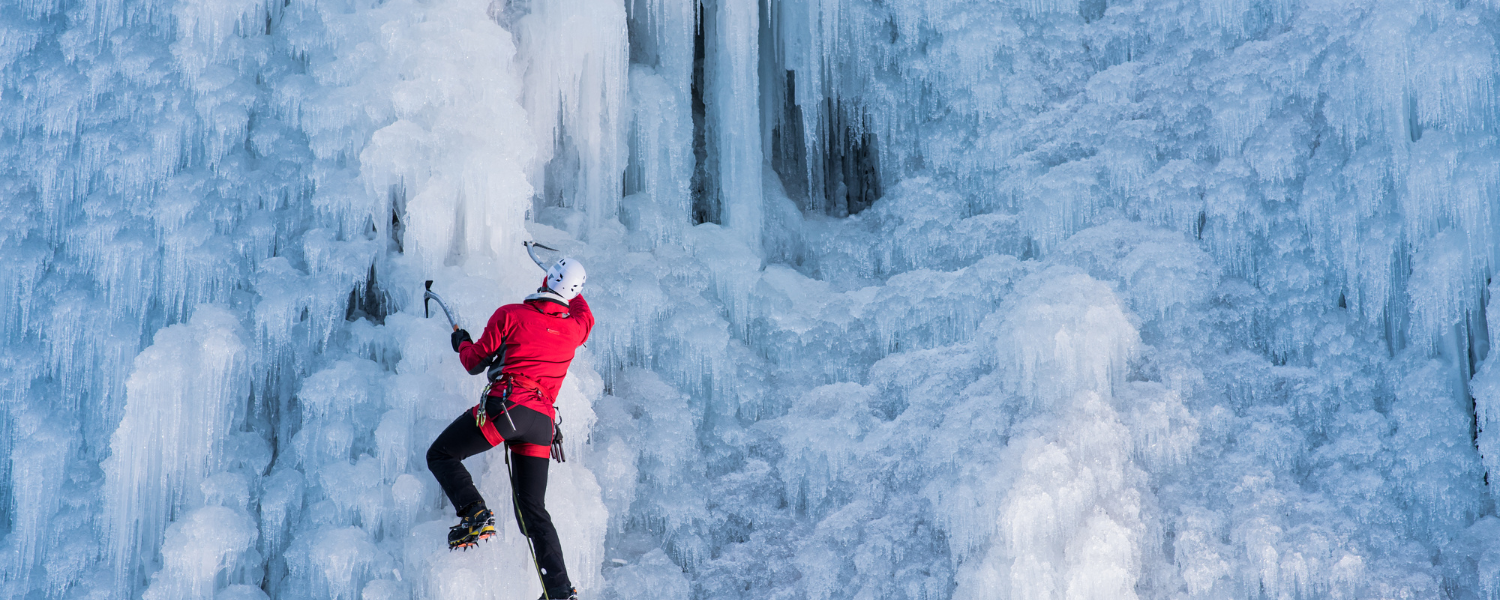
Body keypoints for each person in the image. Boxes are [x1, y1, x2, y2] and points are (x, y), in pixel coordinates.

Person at [426, 257, 591, 600]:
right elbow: (583, 309)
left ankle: (475, 514)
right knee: (533, 509)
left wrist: (461, 343)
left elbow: (474, 362)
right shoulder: (576, 328)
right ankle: (560, 591)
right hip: (541, 424)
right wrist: (569, 284)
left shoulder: (511, 315)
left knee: (441, 454)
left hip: (508, 409)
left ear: (547, 278)